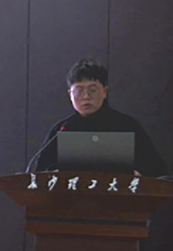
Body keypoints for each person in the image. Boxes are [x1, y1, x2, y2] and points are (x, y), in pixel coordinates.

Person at [34, 58, 167, 177]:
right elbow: (39, 174)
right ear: (70, 95)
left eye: (92, 90)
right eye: (79, 91)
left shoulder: (126, 126)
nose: (86, 96)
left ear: (104, 92)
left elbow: (156, 171)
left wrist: (138, 175)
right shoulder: (62, 129)